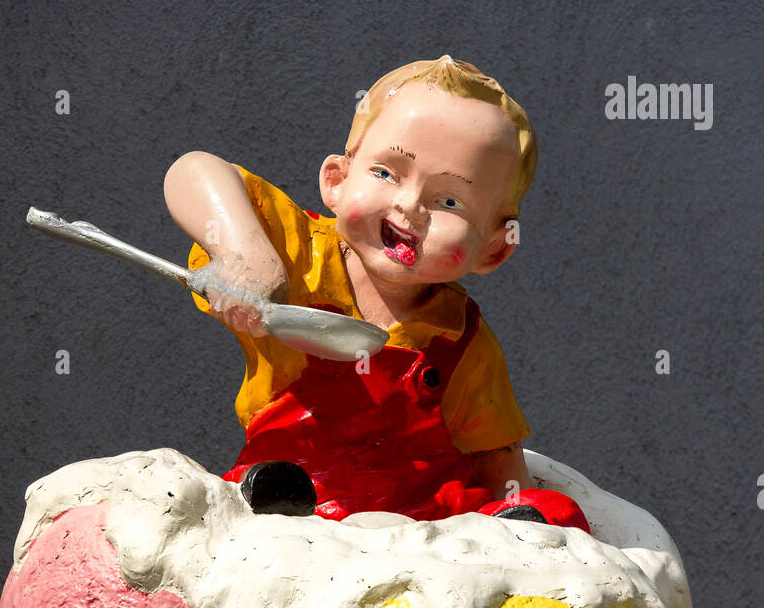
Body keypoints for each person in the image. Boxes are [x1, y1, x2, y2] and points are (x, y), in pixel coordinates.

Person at [164, 54, 588, 530]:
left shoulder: (463, 341)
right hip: (296, 487)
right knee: (267, 504)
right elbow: (194, 169)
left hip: (423, 512)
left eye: (449, 201)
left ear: (492, 249)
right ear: (337, 181)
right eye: (386, 173)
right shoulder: (300, 259)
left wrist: (516, 517)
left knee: (551, 516)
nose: (409, 206)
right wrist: (242, 251)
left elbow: (496, 456)